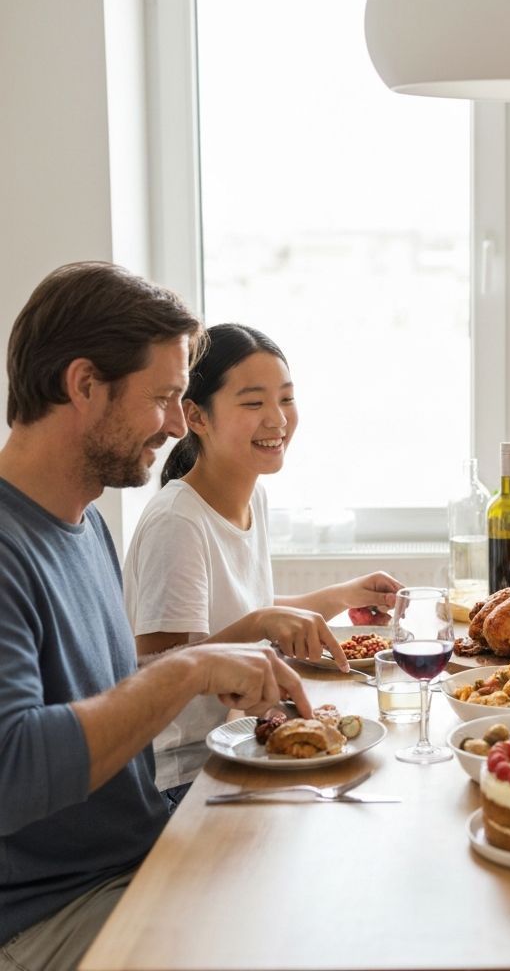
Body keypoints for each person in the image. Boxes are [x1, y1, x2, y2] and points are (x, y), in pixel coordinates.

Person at [0, 263, 311, 971]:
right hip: (53, 910)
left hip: (134, 853)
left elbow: (108, 706)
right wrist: (189, 668)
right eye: (165, 398)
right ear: (84, 385)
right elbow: (12, 773)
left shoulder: (83, 524)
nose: (177, 424)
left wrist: (202, 670)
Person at [123, 323, 402, 798]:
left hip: (239, 743)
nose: (277, 419)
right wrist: (260, 623)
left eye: (286, 399)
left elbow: (241, 612)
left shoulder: (254, 497)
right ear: (196, 416)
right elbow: (156, 670)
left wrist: (343, 595)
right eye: (253, 403)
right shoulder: (178, 520)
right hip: (183, 777)